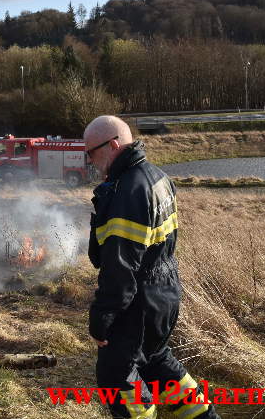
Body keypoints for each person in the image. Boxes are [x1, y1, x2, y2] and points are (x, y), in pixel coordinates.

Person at [84, 116, 220, 419]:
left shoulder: (127, 191)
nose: (90, 160)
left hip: (139, 301)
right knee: (154, 360)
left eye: (91, 152)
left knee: (116, 376)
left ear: (113, 145)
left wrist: (102, 317)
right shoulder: (156, 176)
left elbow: (120, 267)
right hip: (165, 291)